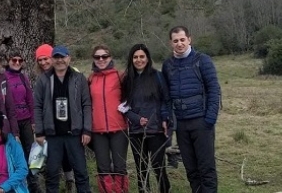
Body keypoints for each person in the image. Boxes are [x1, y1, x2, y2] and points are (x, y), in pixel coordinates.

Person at [162, 26, 221, 193]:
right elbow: (166, 97)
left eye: (182, 39)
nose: (179, 44)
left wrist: (209, 119)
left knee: (206, 167)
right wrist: (169, 118)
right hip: (181, 124)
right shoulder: (168, 65)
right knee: (191, 168)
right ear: (171, 43)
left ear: (189, 39)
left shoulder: (202, 60)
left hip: (201, 121)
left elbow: (214, 90)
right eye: (175, 41)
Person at [33, 45, 92, 193]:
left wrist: (87, 130)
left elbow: (86, 105)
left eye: (63, 57)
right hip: (52, 135)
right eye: (56, 57)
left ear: (69, 58)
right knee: (52, 175)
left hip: (75, 134)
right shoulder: (43, 80)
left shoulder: (79, 78)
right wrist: (39, 132)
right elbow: (37, 106)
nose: (60, 60)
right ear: (52, 59)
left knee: (81, 173)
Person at [120, 44, 171, 193]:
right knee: (141, 170)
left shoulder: (158, 76)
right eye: (135, 57)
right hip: (136, 132)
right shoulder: (127, 80)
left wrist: (164, 118)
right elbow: (123, 106)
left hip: (156, 130)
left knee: (158, 167)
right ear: (131, 59)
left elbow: (165, 100)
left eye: (142, 56)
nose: (139, 60)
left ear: (147, 58)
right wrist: (136, 118)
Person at [87, 45, 128, 193]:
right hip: (98, 130)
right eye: (97, 57)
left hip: (119, 128)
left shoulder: (120, 76)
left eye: (104, 56)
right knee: (103, 168)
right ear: (94, 59)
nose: (101, 59)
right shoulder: (91, 79)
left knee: (119, 167)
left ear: (110, 58)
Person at [35, 44, 75, 191]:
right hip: (50, 124)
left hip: (69, 125)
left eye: (46, 59)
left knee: (67, 153)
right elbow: (38, 104)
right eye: (40, 60)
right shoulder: (42, 79)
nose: (43, 63)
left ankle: (70, 179)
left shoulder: (72, 74)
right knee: (52, 155)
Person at [4, 50, 40, 193]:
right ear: (8, 60)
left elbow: (30, 100)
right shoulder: (3, 78)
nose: (17, 63)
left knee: (30, 154)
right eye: (14, 60)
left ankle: (33, 185)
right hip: (12, 122)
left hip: (25, 120)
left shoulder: (24, 77)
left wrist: (33, 120)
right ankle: (16, 186)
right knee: (14, 155)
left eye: (20, 60)